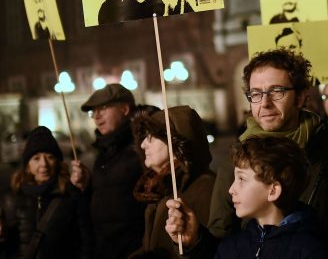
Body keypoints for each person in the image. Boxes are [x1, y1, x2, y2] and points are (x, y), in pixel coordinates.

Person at [206, 49, 328, 258]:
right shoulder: (238, 157)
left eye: (277, 91)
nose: (265, 103)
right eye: (256, 94)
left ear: (301, 97)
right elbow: (220, 234)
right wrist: (190, 241)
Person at [164, 136, 328, 258]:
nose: (231, 189)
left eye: (242, 179)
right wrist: (193, 240)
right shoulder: (232, 247)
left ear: (273, 190)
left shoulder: (310, 250)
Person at [70, 83, 147, 259]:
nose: (96, 116)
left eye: (103, 108)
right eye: (93, 112)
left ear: (125, 109)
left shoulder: (143, 148)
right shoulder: (103, 153)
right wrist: (83, 188)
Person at [129, 106, 214, 258]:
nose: (142, 145)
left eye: (150, 137)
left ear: (175, 141)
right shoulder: (161, 187)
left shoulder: (204, 187)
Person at [0, 126, 92, 258]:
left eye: (50, 157)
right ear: (27, 165)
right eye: (36, 158)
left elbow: (85, 240)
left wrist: (83, 190)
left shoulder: (69, 195)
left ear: (58, 162)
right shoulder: (11, 197)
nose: (44, 164)